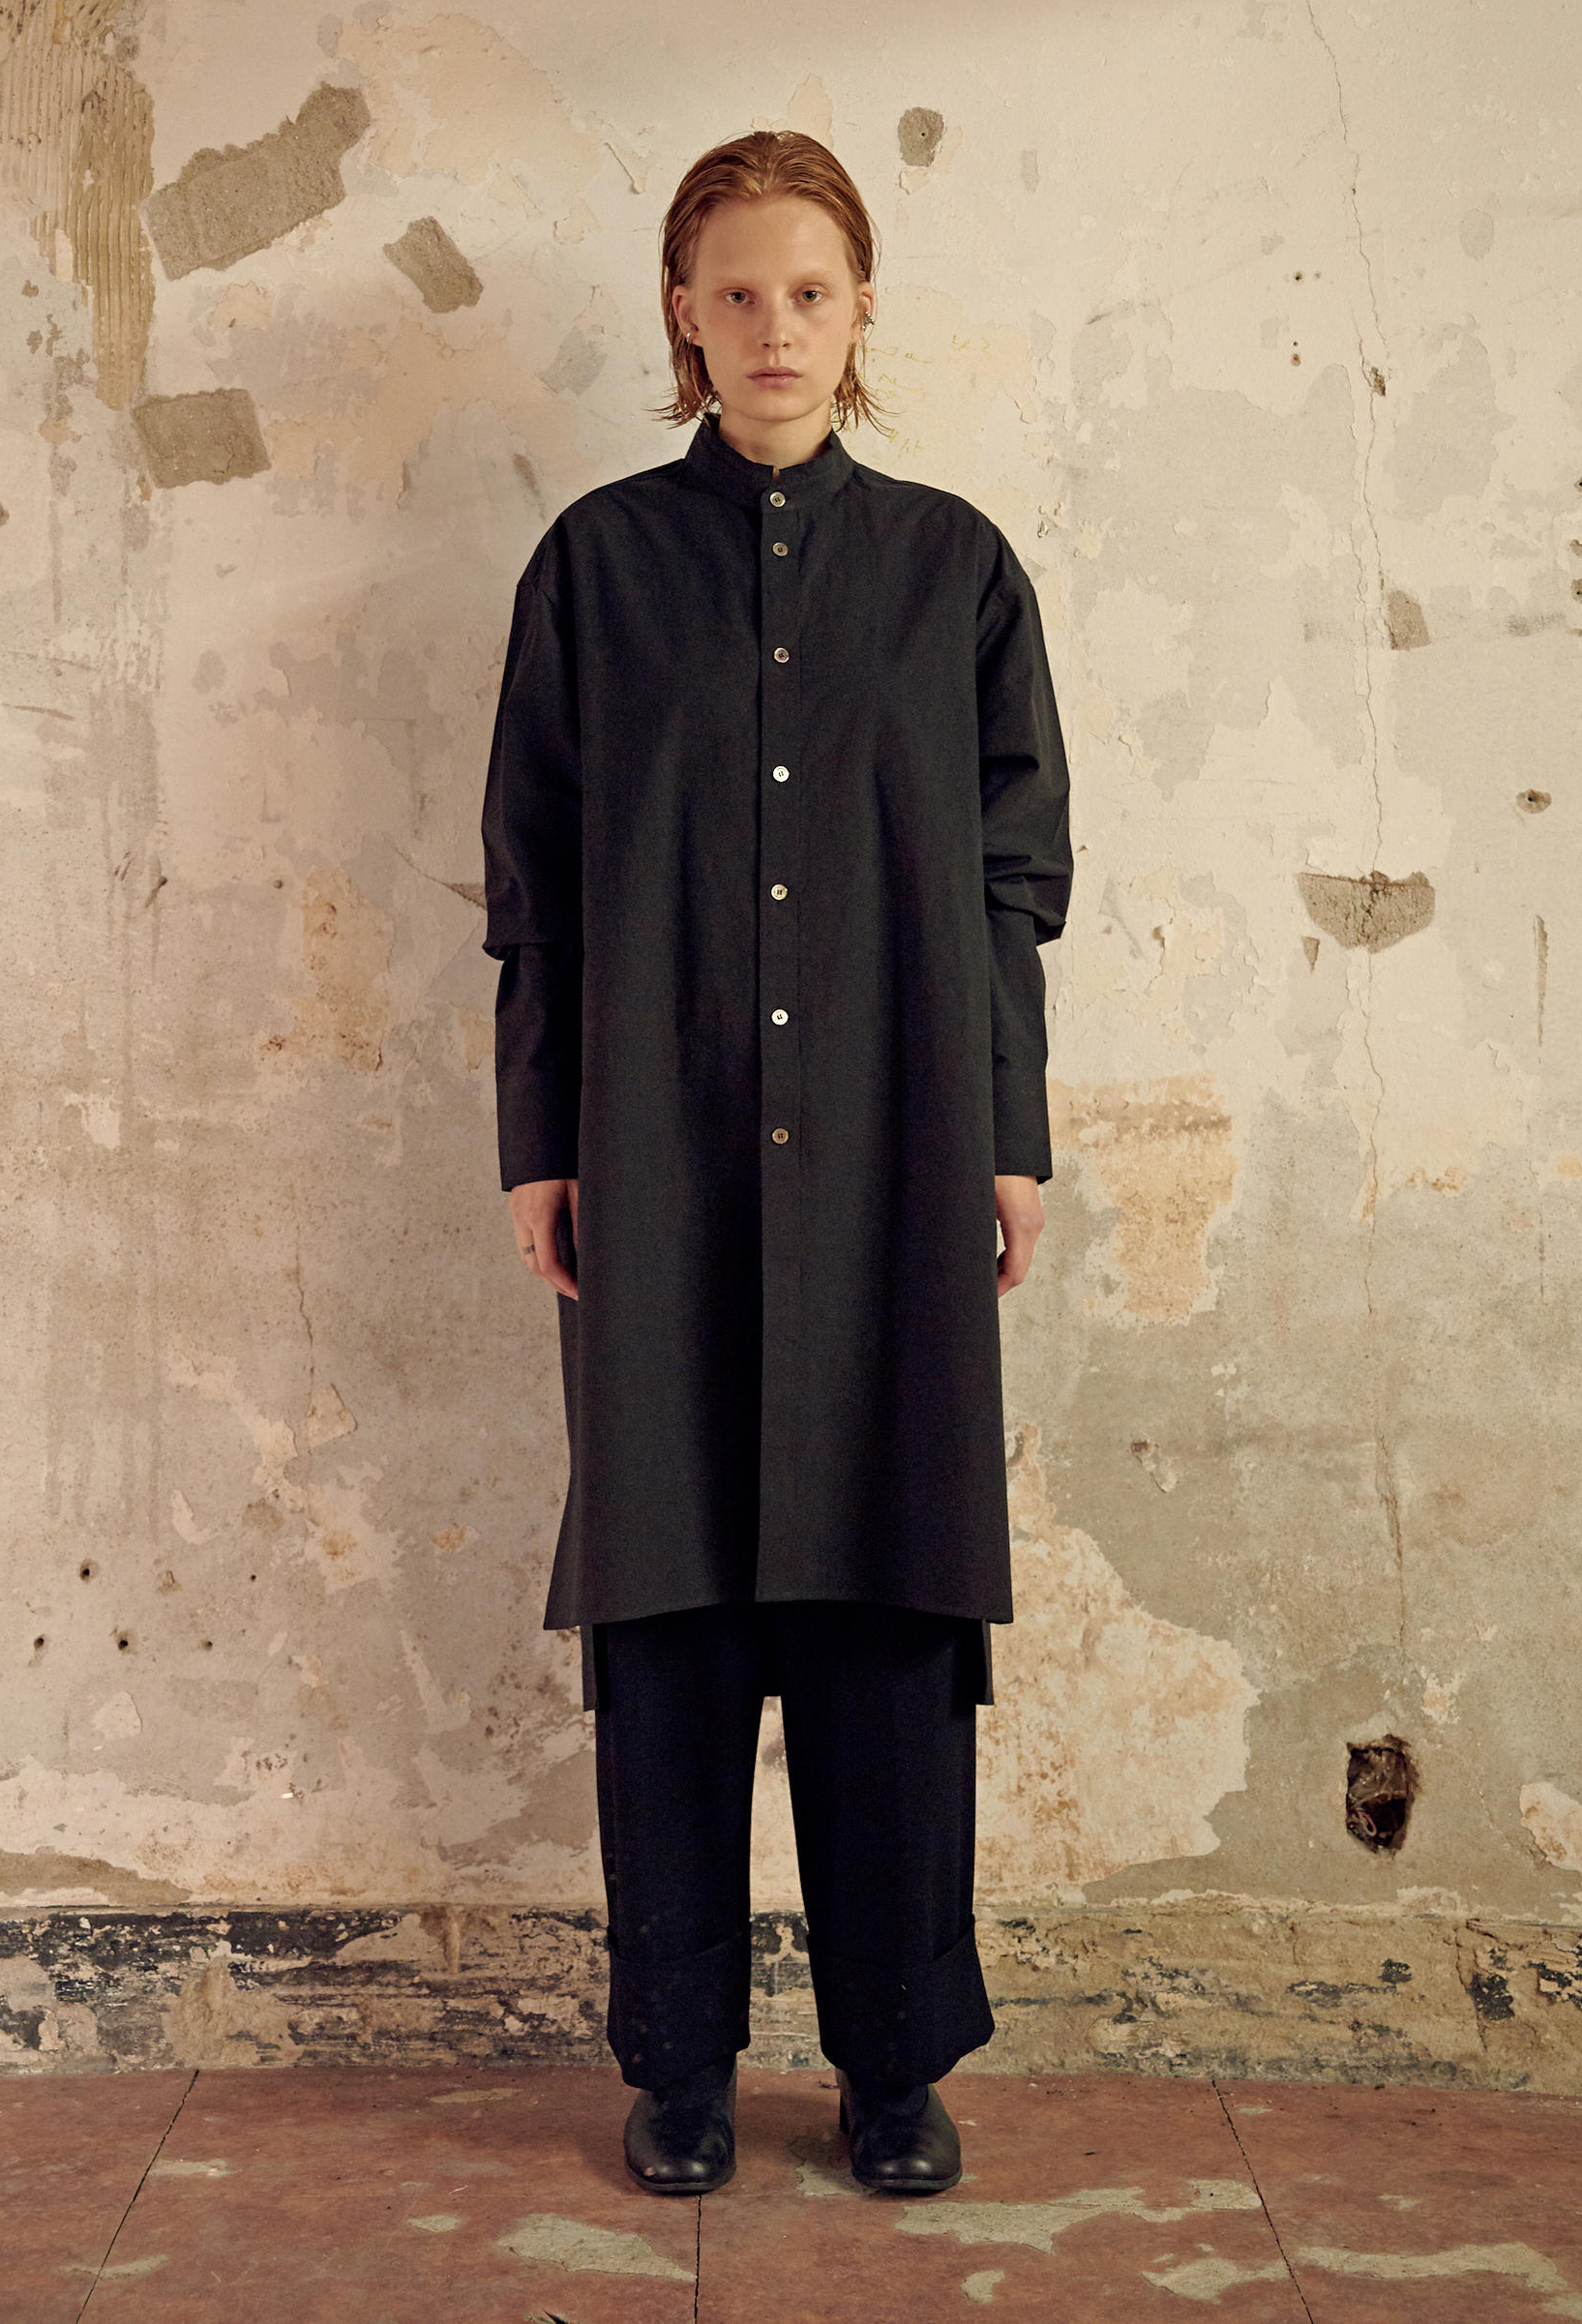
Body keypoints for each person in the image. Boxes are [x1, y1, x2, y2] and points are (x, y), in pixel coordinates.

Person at [480, 131, 1071, 2199]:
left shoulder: (955, 571)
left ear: (862, 306)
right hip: (656, 1151)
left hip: (903, 1152)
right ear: (680, 312)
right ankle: (678, 2061)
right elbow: (535, 886)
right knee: (668, 1614)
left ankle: (898, 2061)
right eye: (734, 291)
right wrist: (538, 1144)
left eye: (809, 291)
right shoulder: (594, 568)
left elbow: (1011, 880)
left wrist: (1008, 1133)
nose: (773, 328)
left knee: (892, 1607)